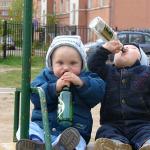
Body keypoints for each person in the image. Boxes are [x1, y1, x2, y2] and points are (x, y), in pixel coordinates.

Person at [16, 35, 105, 150]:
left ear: (82, 64)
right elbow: (34, 96)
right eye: (60, 63)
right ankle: (37, 143)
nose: (66, 68)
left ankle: (61, 147)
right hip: (43, 128)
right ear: (51, 64)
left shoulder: (86, 78)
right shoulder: (45, 76)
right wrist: (54, 88)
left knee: (77, 141)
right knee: (26, 128)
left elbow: (99, 92)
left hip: (74, 131)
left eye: (73, 63)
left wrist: (81, 83)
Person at [87, 40, 150, 150]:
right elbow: (93, 65)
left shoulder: (146, 71)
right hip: (112, 124)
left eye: (133, 48)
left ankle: (147, 144)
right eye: (124, 46)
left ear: (141, 58)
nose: (125, 48)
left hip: (142, 124)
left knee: (147, 134)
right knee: (104, 132)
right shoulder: (107, 71)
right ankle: (115, 145)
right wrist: (104, 49)